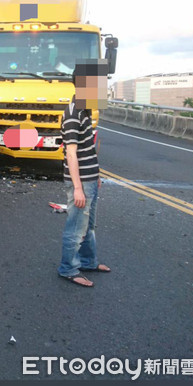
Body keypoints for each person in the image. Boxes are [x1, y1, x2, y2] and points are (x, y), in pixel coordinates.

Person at [58, 59, 110, 287]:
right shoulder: (73, 113)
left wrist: (96, 176)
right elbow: (71, 154)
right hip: (81, 183)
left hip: (90, 179)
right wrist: (78, 187)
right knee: (76, 228)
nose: (102, 89)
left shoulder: (85, 109)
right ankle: (68, 269)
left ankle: (88, 261)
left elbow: (88, 146)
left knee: (88, 226)